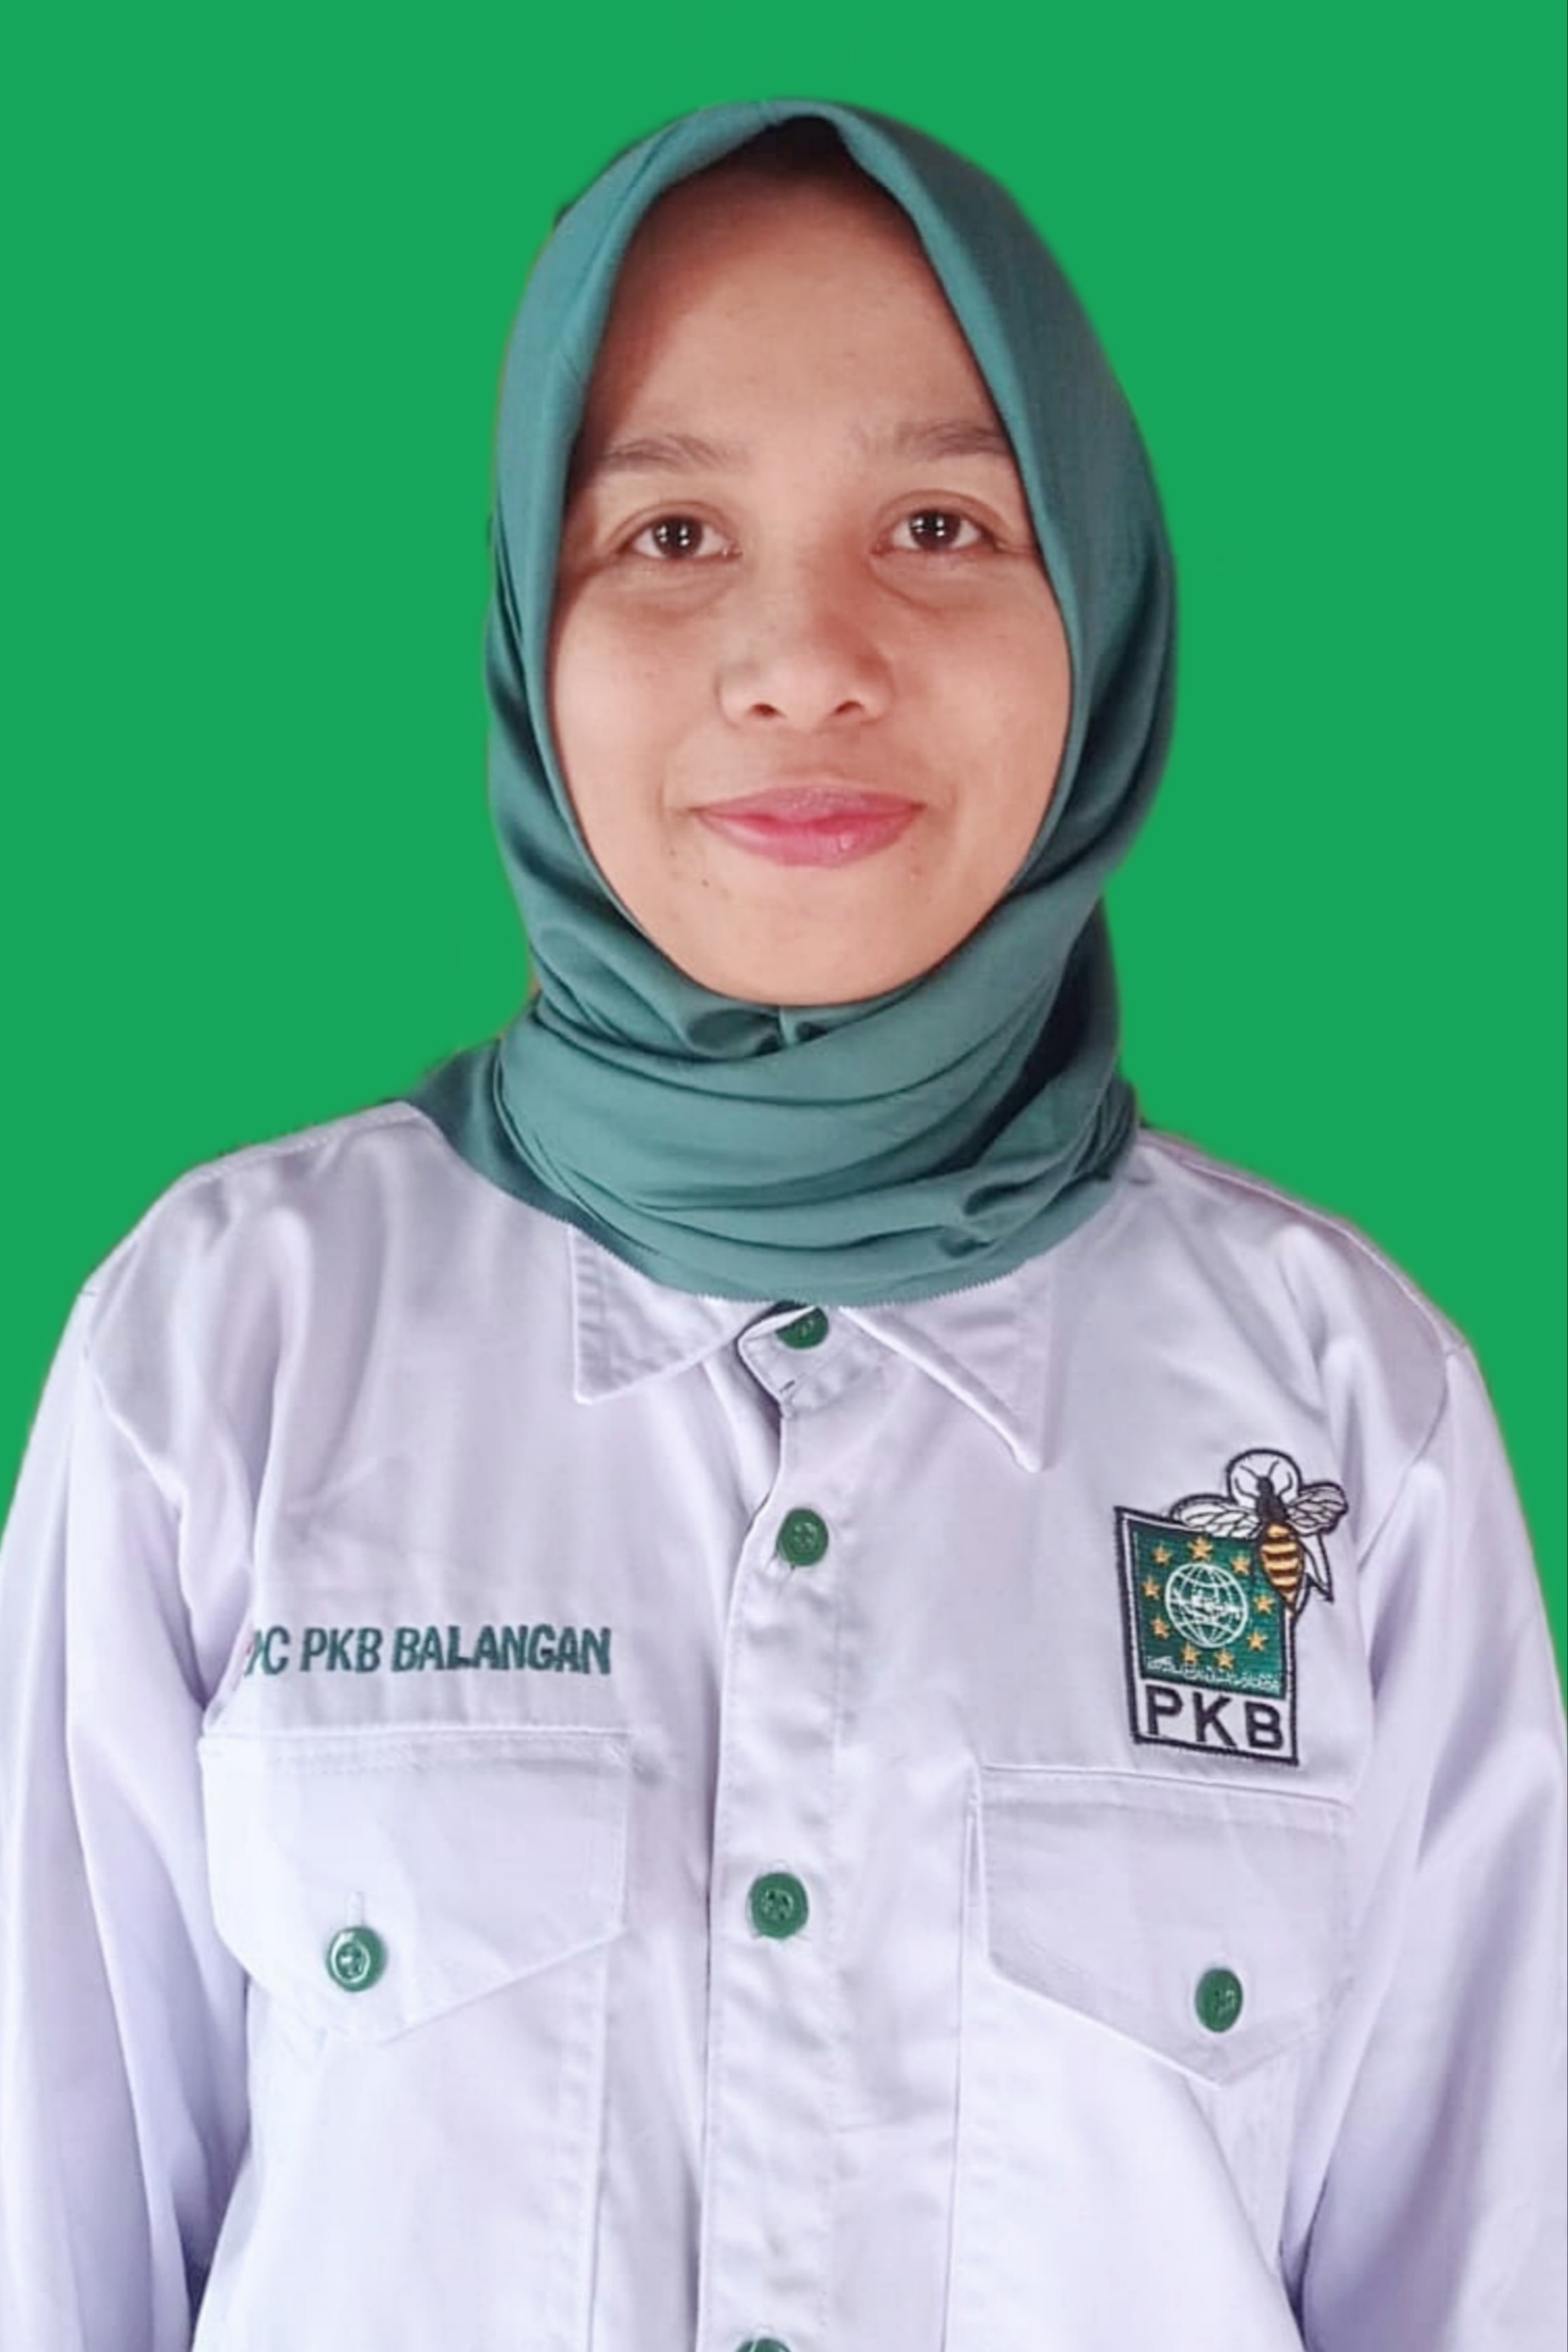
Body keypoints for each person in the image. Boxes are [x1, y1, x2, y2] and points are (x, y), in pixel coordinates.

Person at [0, 96, 1562, 2352]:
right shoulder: (227, 1347)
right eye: (668, 534)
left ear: (1103, 609)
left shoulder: (1338, 1413)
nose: (804, 655)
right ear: (529, 630)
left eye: (940, 523)